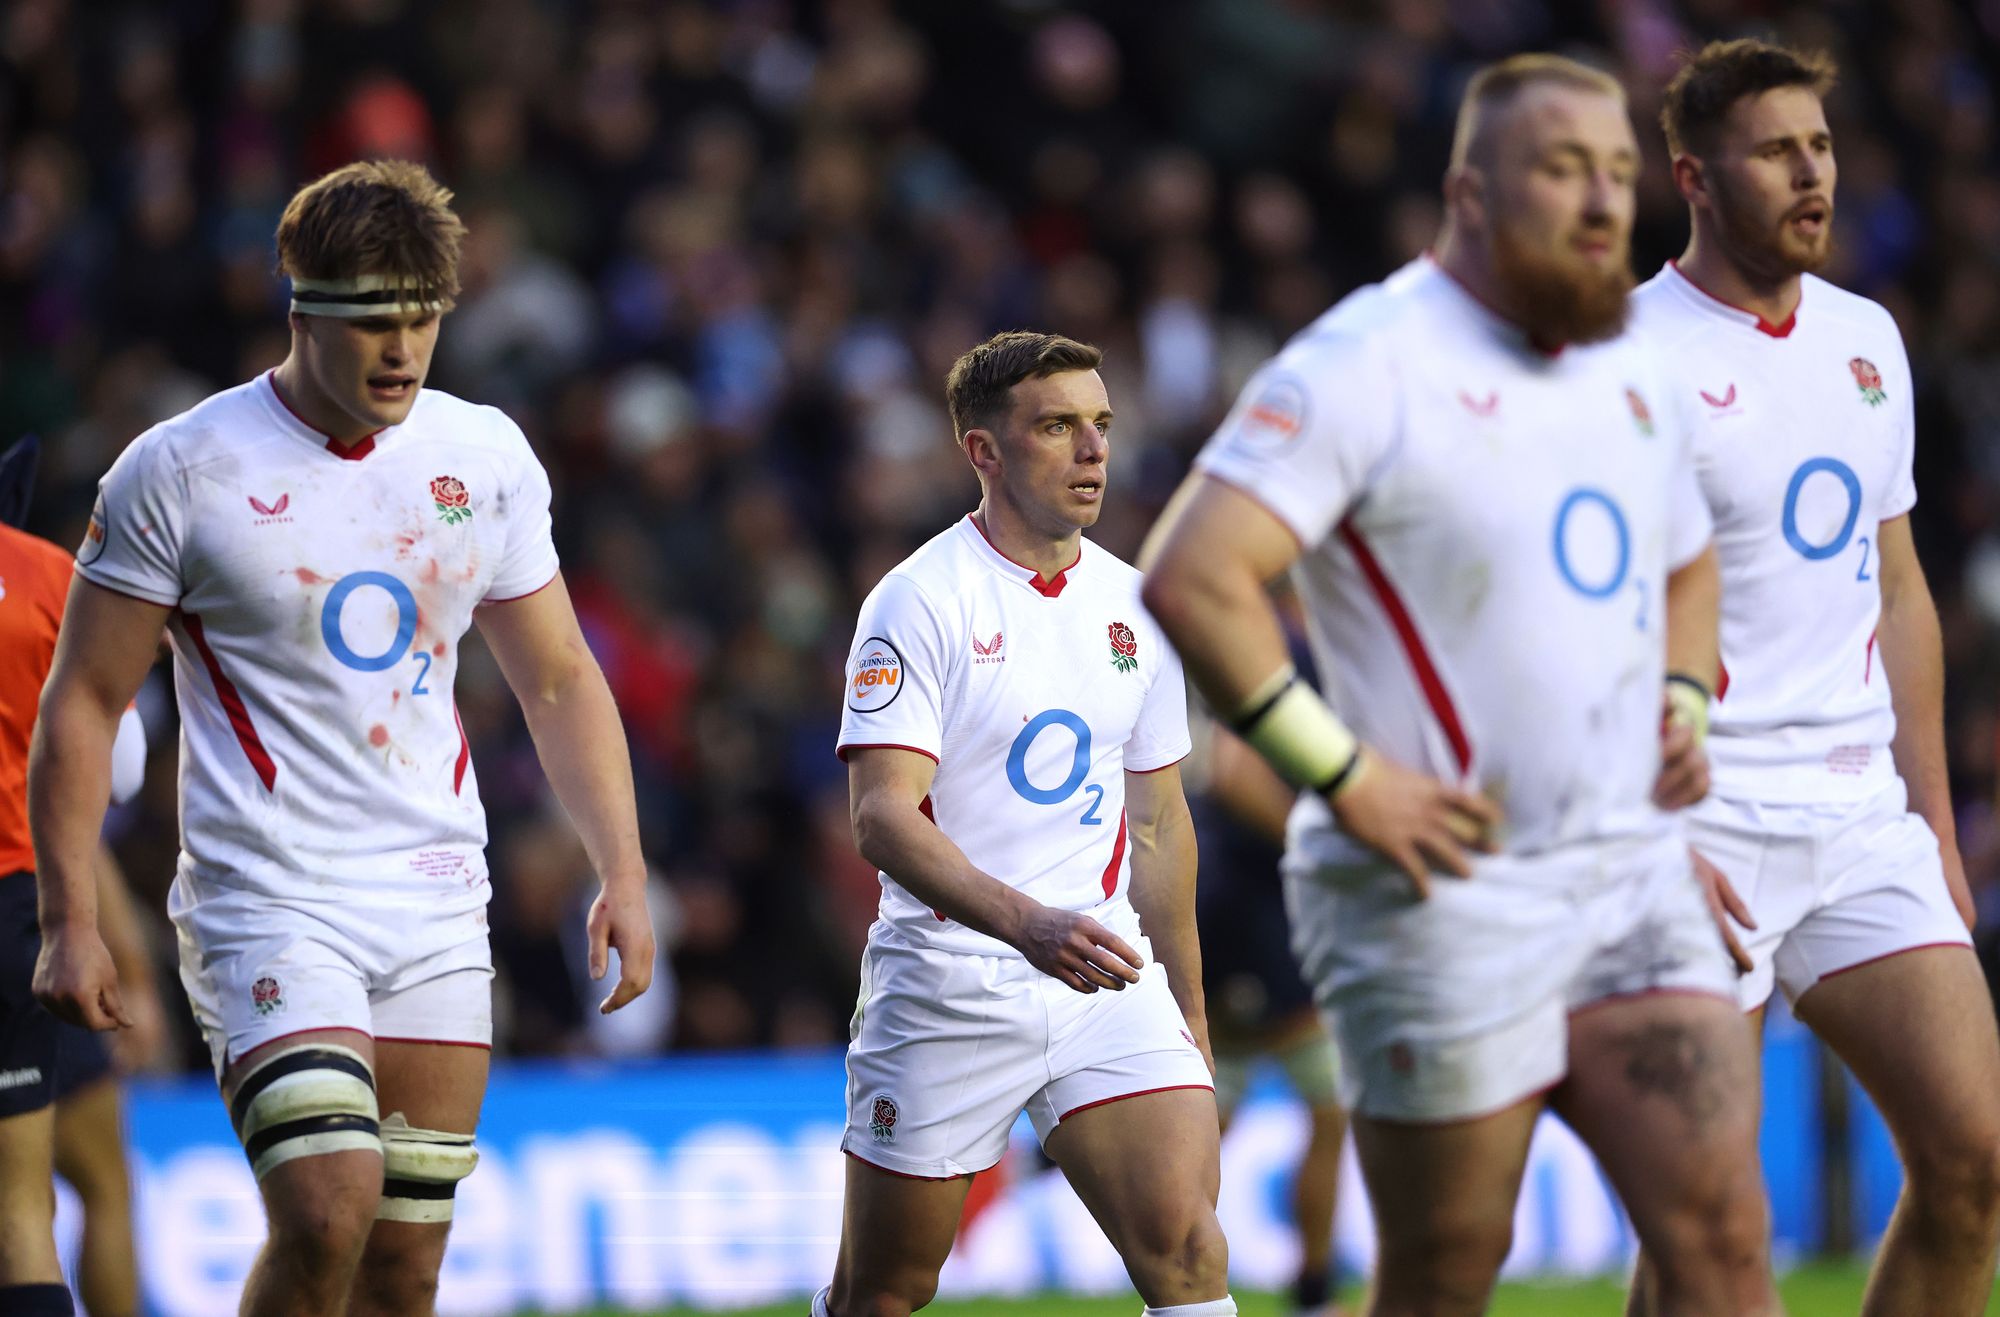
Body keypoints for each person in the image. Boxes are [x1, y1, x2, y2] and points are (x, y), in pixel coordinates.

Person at [1140, 54, 1778, 1316]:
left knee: (1720, 1242)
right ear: (1467, 193)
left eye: (1614, 171)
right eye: (1560, 169)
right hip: (1440, 896)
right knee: (1445, 1273)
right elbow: (1193, 575)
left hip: (1630, 876)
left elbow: (1691, 560)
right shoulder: (1366, 360)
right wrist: (1346, 777)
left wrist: (1682, 703)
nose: (1602, 202)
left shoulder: (1631, 363)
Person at [28, 159, 656, 1317]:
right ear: (300, 304)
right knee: (326, 1208)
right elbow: (81, 699)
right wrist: (70, 914)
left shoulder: (485, 457)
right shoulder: (179, 470)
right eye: (373, 318)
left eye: (422, 317)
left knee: (404, 1269)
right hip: (268, 895)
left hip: (432, 896)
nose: (402, 350)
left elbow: (560, 679)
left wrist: (619, 868)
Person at [1628, 38, 2000, 1315]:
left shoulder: (1865, 339)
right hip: (1697, 824)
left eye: (1822, 146)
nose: (1811, 174)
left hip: (1857, 819)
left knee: (1974, 1168)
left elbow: (1893, 589)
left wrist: (1934, 830)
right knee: (1707, 1232)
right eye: (1775, 150)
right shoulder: (1630, 362)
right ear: (1691, 175)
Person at [818, 331, 1233, 1317]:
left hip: (1105, 972)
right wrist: (1026, 926)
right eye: (1056, 426)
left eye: (1100, 425)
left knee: (1186, 1252)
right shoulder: (917, 601)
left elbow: (1162, 827)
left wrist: (1190, 1008)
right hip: (951, 984)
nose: (1092, 451)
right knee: (883, 1290)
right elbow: (880, 818)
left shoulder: (1138, 604)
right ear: (983, 452)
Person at [1187, 655, 1347, 1317]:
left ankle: (1304, 1288)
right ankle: (1194, 1280)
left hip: (1253, 914)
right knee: (1322, 1102)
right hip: (1249, 913)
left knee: (1226, 1106)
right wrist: (1320, 844)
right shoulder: (1282, 649)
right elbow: (1232, 770)